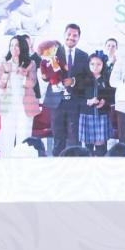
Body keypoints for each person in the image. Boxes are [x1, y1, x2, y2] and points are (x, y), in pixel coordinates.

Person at [43, 23, 88, 158]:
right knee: (58, 137)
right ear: (64, 35)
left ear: (79, 38)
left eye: (75, 35)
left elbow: (87, 79)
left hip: (75, 103)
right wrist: (44, 76)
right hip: (57, 102)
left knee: (75, 138)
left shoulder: (84, 56)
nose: (71, 37)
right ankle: (57, 164)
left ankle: (75, 165)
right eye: (69, 34)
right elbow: (46, 75)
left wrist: (73, 81)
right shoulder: (52, 53)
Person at [0, 34, 41, 157]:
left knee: (23, 139)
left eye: (17, 45)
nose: (13, 48)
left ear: (23, 47)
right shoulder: (5, 63)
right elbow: (0, 84)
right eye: (11, 45)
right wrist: (6, 72)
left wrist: (24, 75)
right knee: (7, 138)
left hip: (25, 107)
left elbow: (32, 83)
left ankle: (23, 164)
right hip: (8, 106)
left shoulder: (31, 63)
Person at [76, 54, 113, 156]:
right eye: (92, 64)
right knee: (88, 148)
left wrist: (105, 101)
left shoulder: (107, 78)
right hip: (87, 116)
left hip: (102, 116)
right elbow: (77, 97)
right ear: (88, 65)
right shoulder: (83, 79)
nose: (95, 67)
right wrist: (87, 101)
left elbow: (112, 95)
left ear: (103, 65)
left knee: (101, 148)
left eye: (98, 64)